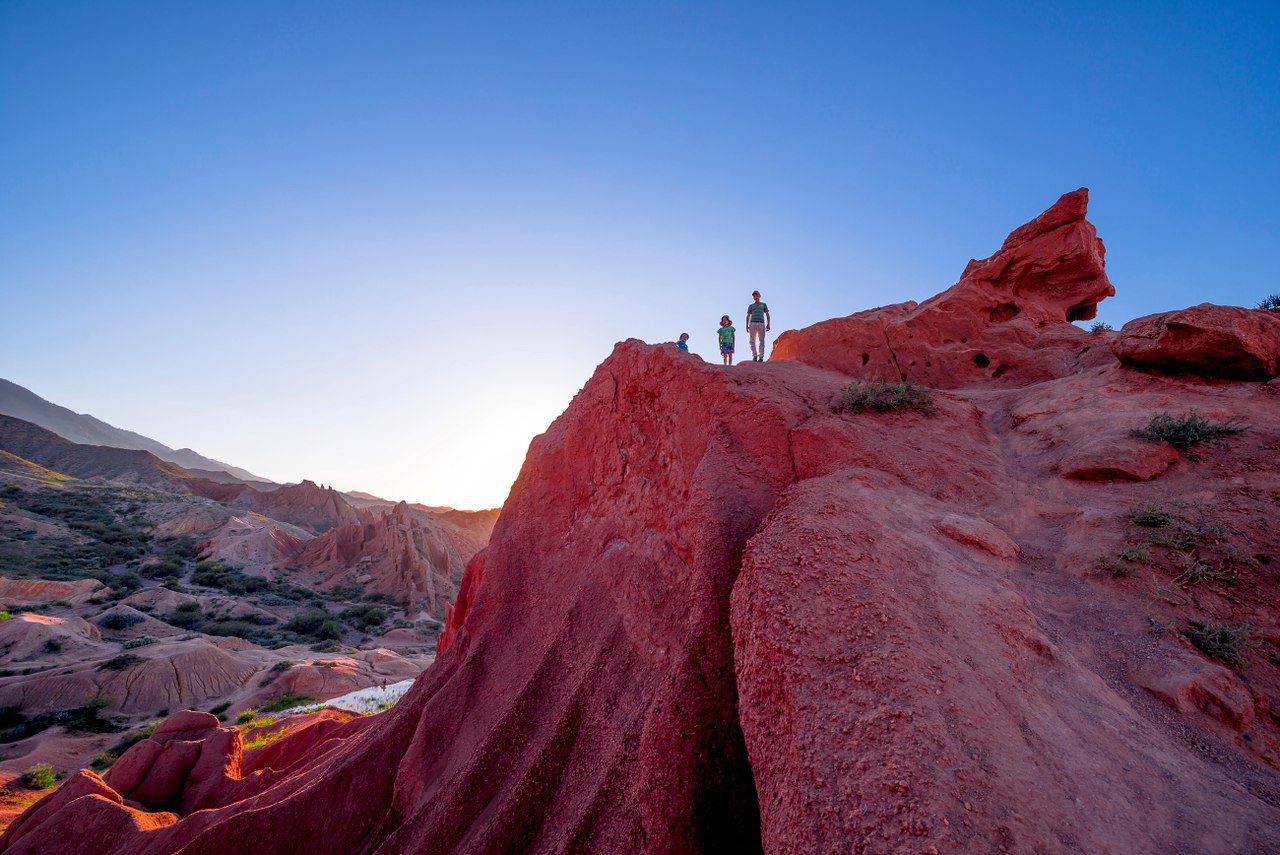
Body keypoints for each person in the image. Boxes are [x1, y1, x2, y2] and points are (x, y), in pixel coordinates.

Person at [745, 290, 771, 362]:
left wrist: (768, 324)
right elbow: (748, 316)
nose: (755, 296)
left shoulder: (763, 304)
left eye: (756, 295)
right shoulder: (751, 306)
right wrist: (746, 325)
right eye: (753, 295)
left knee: (761, 340)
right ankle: (754, 355)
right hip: (752, 323)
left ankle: (761, 356)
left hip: (761, 323)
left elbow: (767, 314)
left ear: (759, 296)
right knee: (752, 340)